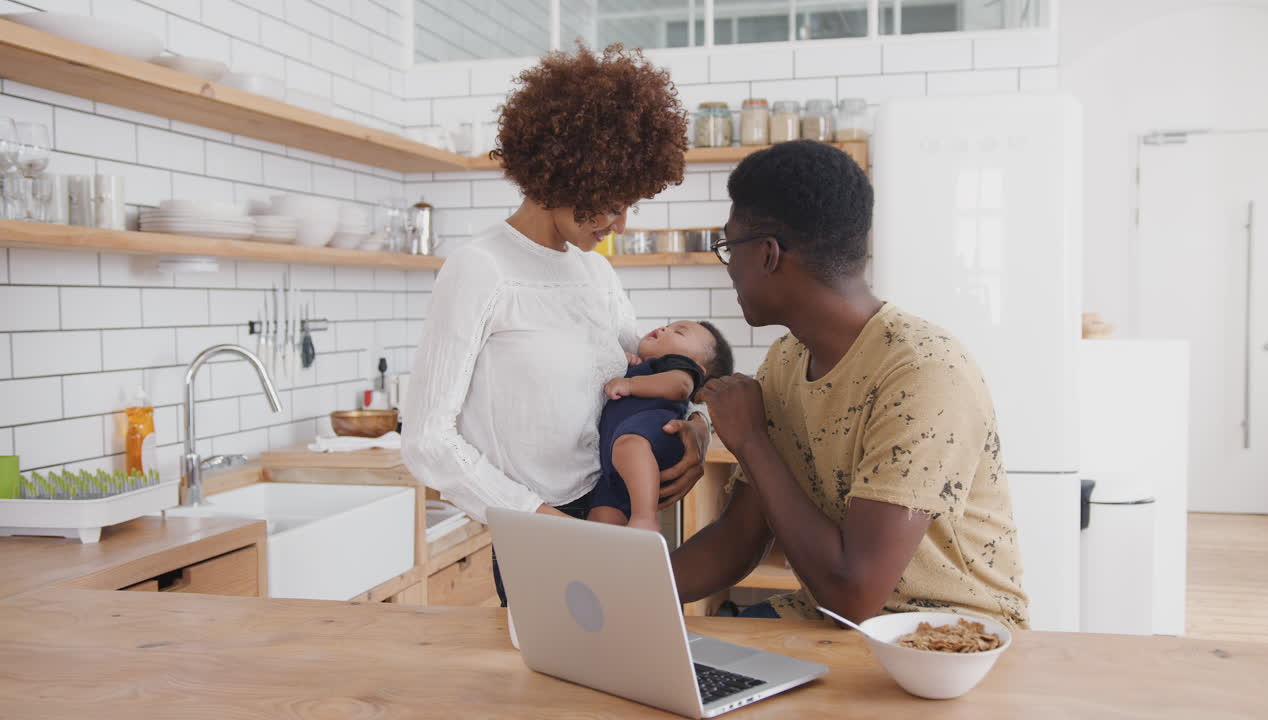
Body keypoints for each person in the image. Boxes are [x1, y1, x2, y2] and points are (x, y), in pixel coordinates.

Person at [672, 140, 1030, 630]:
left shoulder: (923, 370)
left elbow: (853, 592)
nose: (729, 267)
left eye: (729, 248)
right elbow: (737, 540)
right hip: (833, 629)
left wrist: (752, 441)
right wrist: (620, 593)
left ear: (767, 254)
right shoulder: (785, 361)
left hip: (949, 642)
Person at [401, 45, 710, 607]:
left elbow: (651, 367)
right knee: (550, 689)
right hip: (539, 530)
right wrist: (544, 523)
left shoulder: (595, 271)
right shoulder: (481, 268)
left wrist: (696, 431)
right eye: (614, 203)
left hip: (609, 508)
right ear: (569, 172)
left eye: (630, 206)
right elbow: (427, 442)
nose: (619, 224)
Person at [588, 320, 734, 533]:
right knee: (601, 517)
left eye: (680, 332)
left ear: (697, 368)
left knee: (629, 445)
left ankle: (645, 518)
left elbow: (680, 386)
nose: (665, 329)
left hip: (652, 432)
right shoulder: (641, 367)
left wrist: (630, 384)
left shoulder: (678, 366)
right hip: (613, 464)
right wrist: (626, 364)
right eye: (669, 325)